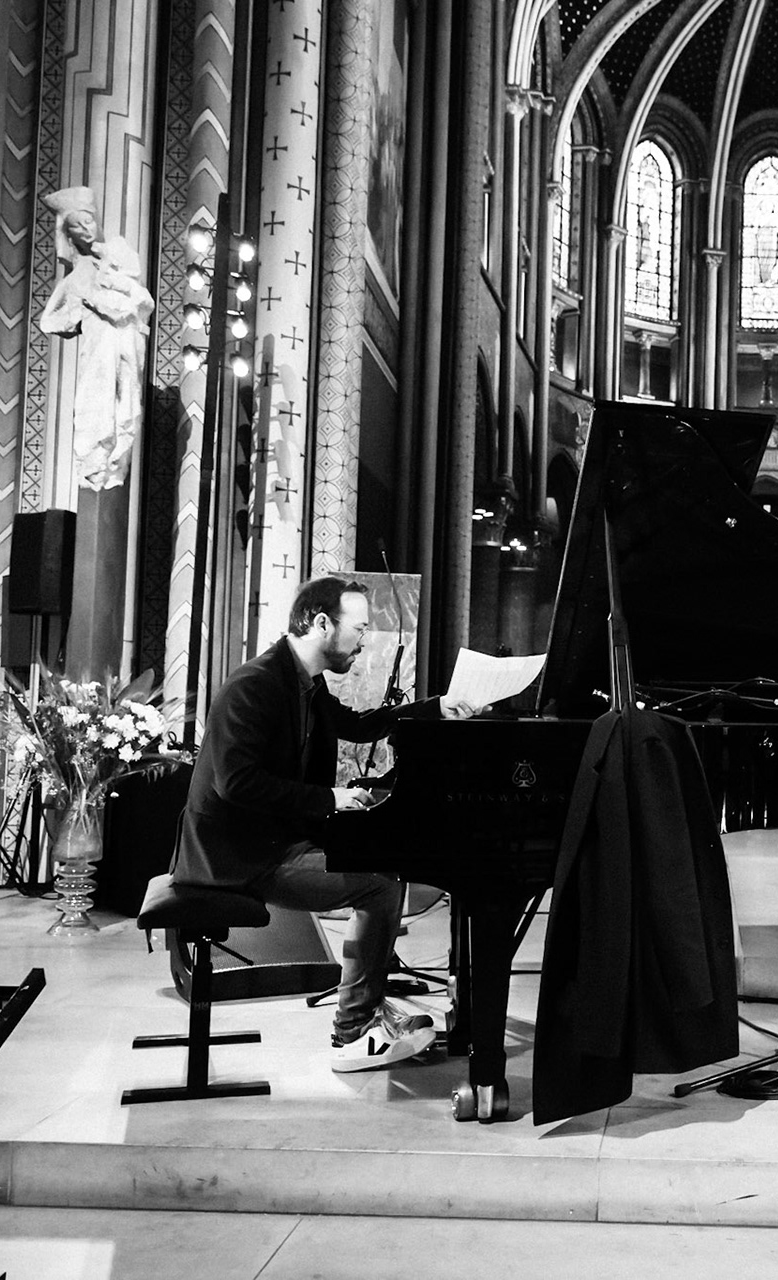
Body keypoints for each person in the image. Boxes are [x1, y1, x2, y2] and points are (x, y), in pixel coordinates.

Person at [172, 575, 481, 1071]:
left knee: (381, 867)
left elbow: (356, 726)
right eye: (358, 629)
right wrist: (330, 798)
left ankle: (365, 1009)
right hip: (235, 857)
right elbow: (237, 784)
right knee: (378, 885)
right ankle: (353, 1032)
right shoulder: (255, 686)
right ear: (321, 624)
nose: (363, 641)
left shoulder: (303, 681)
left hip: (271, 842)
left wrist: (436, 708)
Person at [38, 186, 155, 491]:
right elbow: (48, 321)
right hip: (96, 354)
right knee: (96, 417)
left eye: (89, 221)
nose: (85, 230)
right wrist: (84, 305)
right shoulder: (75, 278)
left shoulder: (118, 255)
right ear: (68, 235)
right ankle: (93, 470)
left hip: (125, 348)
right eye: (77, 226)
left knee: (125, 414)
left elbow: (142, 302)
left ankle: (113, 468)